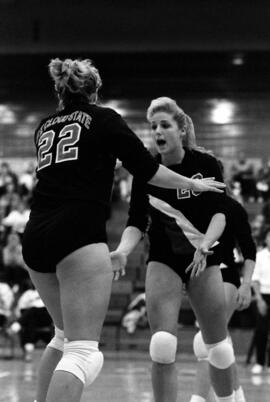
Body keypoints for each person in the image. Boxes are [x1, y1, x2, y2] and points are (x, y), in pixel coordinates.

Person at [20, 60, 225, 402]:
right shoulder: (104, 118)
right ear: (95, 91)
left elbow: (72, 165)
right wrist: (191, 183)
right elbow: (148, 170)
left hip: (35, 234)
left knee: (62, 337)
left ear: (60, 92)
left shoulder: (44, 126)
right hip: (77, 234)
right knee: (83, 353)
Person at [111, 97, 235, 402]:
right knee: (162, 345)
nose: (157, 132)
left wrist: (205, 244)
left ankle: (231, 399)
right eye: (153, 127)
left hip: (203, 257)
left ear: (180, 129)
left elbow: (221, 214)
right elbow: (136, 222)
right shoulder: (147, 172)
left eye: (164, 125)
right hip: (164, 259)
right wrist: (123, 250)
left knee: (217, 348)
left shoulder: (206, 165)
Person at [190, 194, 256, 402]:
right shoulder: (189, 203)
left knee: (207, 340)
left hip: (226, 273)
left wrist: (246, 285)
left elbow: (249, 249)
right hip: (200, 275)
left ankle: (198, 398)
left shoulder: (232, 207)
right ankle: (237, 395)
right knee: (220, 342)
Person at [250, 226, 270, 374]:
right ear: (266, 239)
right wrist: (259, 299)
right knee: (261, 330)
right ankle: (259, 362)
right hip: (263, 295)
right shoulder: (260, 256)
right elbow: (254, 279)